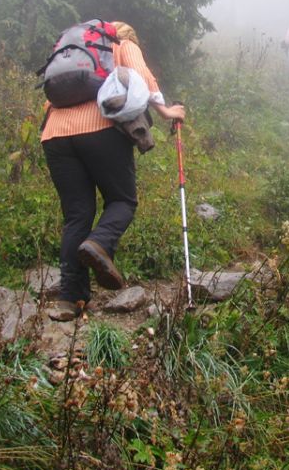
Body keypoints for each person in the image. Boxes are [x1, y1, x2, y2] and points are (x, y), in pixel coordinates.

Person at [41, 21, 186, 322]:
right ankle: (100, 243)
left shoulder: (74, 52)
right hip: (100, 129)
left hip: (55, 134)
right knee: (122, 201)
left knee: (77, 215)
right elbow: (142, 79)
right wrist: (167, 111)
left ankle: (70, 299)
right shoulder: (119, 43)